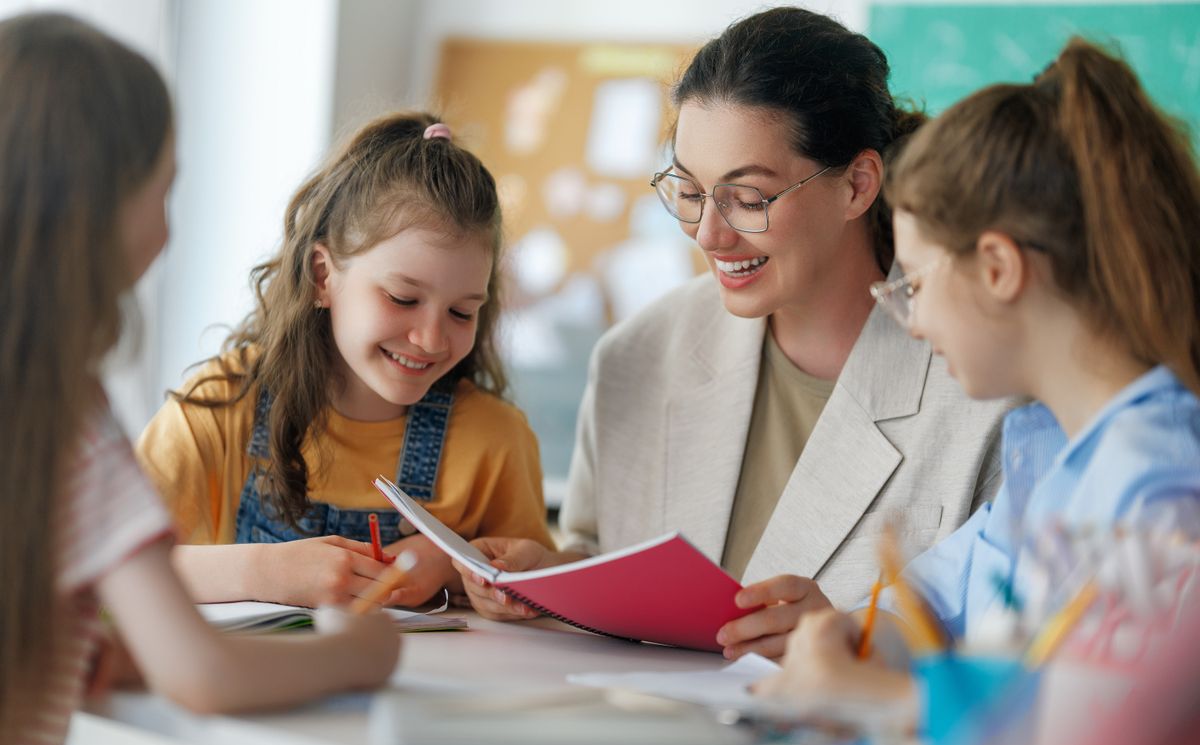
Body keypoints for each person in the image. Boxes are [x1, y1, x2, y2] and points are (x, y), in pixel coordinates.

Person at [456, 6, 1009, 660]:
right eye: (690, 191)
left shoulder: (983, 390)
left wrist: (864, 638)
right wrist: (547, 573)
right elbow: (601, 559)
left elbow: (1015, 649)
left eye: (748, 198)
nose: (709, 235)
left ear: (858, 184)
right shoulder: (637, 356)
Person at [0, 14, 399, 745]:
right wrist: (363, 653)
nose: (170, 225)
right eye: (166, 187)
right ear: (98, 209)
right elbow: (202, 670)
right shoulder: (62, 415)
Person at [758, 38, 1200, 702]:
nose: (913, 322)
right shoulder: (1053, 450)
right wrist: (854, 632)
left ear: (997, 269)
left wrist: (882, 698)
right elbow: (939, 594)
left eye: (914, 285)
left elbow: (1095, 736)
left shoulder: (1159, 484)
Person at [136, 110, 554, 610]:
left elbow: (542, 587)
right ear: (322, 276)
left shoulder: (496, 441)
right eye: (402, 298)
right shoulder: (219, 408)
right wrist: (260, 571)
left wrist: (458, 568)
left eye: (463, 312)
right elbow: (96, 575)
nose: (430, 338)